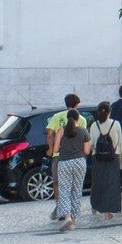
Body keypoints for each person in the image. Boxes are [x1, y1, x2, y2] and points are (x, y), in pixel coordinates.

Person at [46, 95, 91, 232]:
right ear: (78, 117)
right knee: (77, 190)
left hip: (64, 162)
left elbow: (55, 149)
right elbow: (87, 151)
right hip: (80, 162)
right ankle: (74, 221)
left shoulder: (61, 130)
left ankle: (67, 218)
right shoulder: (83, 129)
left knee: (64, 190)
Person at [87, 101, 122, 224]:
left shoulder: (94, 125)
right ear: (109, 112)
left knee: (97, 183)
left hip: (97, 158)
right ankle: (108, 212)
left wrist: (95, 151)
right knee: (111, 184)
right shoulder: (116, 124)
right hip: (112, 157)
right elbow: (119, 143)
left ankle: (95, 207)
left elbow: (91, 143)